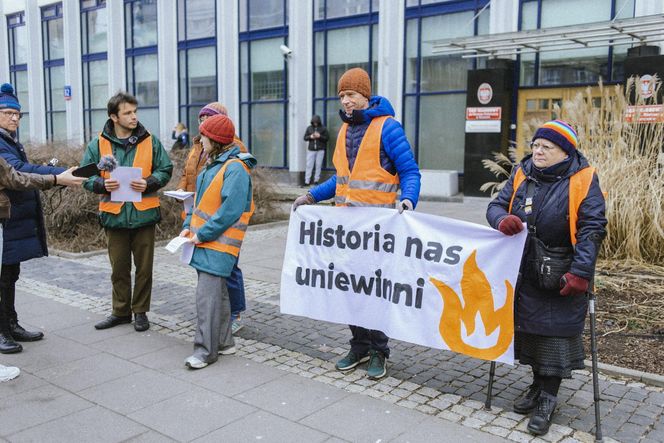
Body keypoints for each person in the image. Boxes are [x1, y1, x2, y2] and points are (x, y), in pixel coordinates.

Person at [293, 67, 421, 380]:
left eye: (351, 94)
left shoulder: (388, 128)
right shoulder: (345, 131)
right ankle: (359, 345)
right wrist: (311, 196)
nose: (346, 101)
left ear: (365, 95)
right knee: (351, 290)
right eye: (341, 96)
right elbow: (341, 180)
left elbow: (410, 172)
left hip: (378, 231)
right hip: (347, 231)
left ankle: (379, 350)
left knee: (374, 292)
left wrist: (408, 199)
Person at [486, 120, 606, 436]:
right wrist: (503, 220)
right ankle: (537, 386)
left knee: (554, 337)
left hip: (562, 270)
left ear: (564, 152)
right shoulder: (522, 173)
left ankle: (548, 399)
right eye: (536, 145)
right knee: (531, 333)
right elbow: (495, 206)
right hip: (524, 266)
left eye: (546, 147)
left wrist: (581, 273)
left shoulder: (583, 179)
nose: (537, 151)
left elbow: (592, 228)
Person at [0, 83, 85, 354]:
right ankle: (2, 331)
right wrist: (57, 176)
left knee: (10, 273)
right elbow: (17, 173)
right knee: (3, 277)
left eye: (17, 114)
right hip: (3, 220)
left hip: (12, 218)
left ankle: (11, 325)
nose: (14, 118)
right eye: (7, 113)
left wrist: (56, 175)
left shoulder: (10, 140)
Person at [81, 92, 173, 332]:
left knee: (144, 269)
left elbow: (166, 168)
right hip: (113, 215)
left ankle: (140, 312)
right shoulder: (98, 144)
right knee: (118, 269)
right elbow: (85, 176)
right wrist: (101, 184)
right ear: (114, 117)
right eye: (127, 113)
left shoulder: (149, 140)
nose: (134, 117)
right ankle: (120, 312)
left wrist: (150, 182)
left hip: (144, 214)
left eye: (135, 112)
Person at [180, 113, 256, 369]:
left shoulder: (234, 168)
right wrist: (187, 227)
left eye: (203, 135)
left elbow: (229, 212)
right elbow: (199, 202)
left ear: (215, 139)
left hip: (217, 244)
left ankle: (205, 351)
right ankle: (224, 342)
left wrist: (201, 233)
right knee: (219, 296)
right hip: (207, 242)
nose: (200, 139)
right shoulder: (217, 164)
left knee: (207, 300)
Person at [303, 114, 329, 186]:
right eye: (314, 122)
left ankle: (316, 180)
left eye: (316, 122)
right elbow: (305, 138)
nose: (315, 123)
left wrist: (319, 136)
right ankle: (307, 181)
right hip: (311, 149)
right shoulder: (309, 128)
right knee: (309, 165)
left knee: (318, 165)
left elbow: (327, 138)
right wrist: (310, 136)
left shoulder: (323, 128)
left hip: (320, 149)